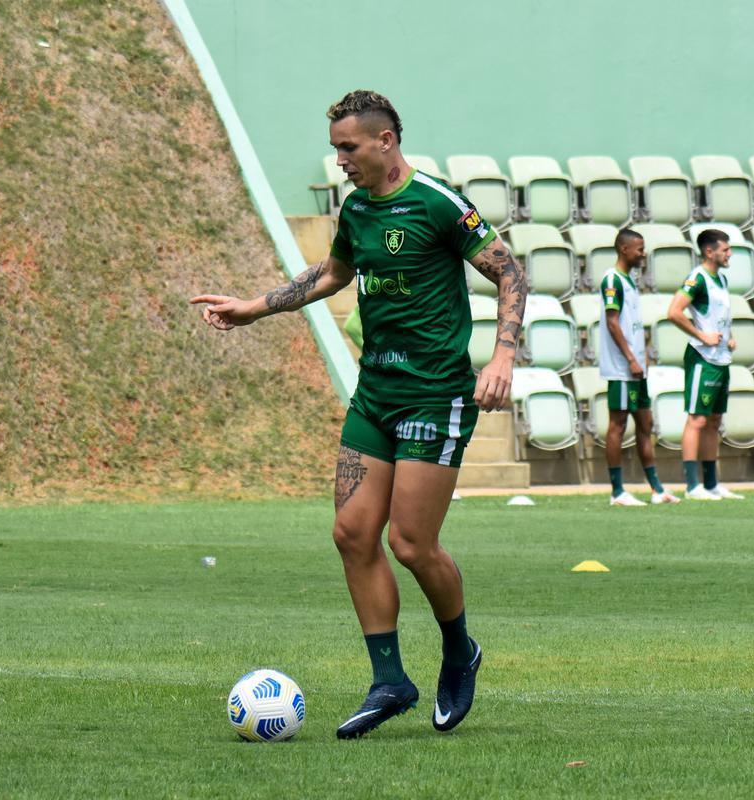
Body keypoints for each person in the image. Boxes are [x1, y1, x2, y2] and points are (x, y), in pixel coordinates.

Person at [191, 90, 526, 739]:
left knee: (409, 542)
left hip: (436, 393)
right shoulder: (356, 211)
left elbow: (509, 272)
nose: (338, 158)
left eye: (347, 147)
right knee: (350, 534)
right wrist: (254, 306)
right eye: (336, 147)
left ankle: (459, 652)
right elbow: (333, 273)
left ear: (384, 141)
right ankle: (389, 681)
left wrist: (502, 356)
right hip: (375, 393)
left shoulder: (436, 202)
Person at [598, 229, 678, 506]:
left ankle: (657, 489)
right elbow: (612, 322)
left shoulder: (629, 281)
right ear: (624, 249)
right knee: (618, 426)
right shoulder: (612, 280)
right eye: (639, 248)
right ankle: (617, 491)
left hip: (636, 368)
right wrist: (631, 358)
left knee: (645, 423)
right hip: (622, 368)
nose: (643, 253)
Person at [667, 228, 743, 500]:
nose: (729, 253)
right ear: (709, 251)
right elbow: (674, 312)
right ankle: (692, 485)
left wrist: (729, 338)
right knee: (697, 419)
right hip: (703, 358)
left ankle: (711, 483)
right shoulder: (697, 278)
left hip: (721, 357)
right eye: (725, 249)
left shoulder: (720, 279)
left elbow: (717, 316)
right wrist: (701, 335)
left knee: (713, 420)